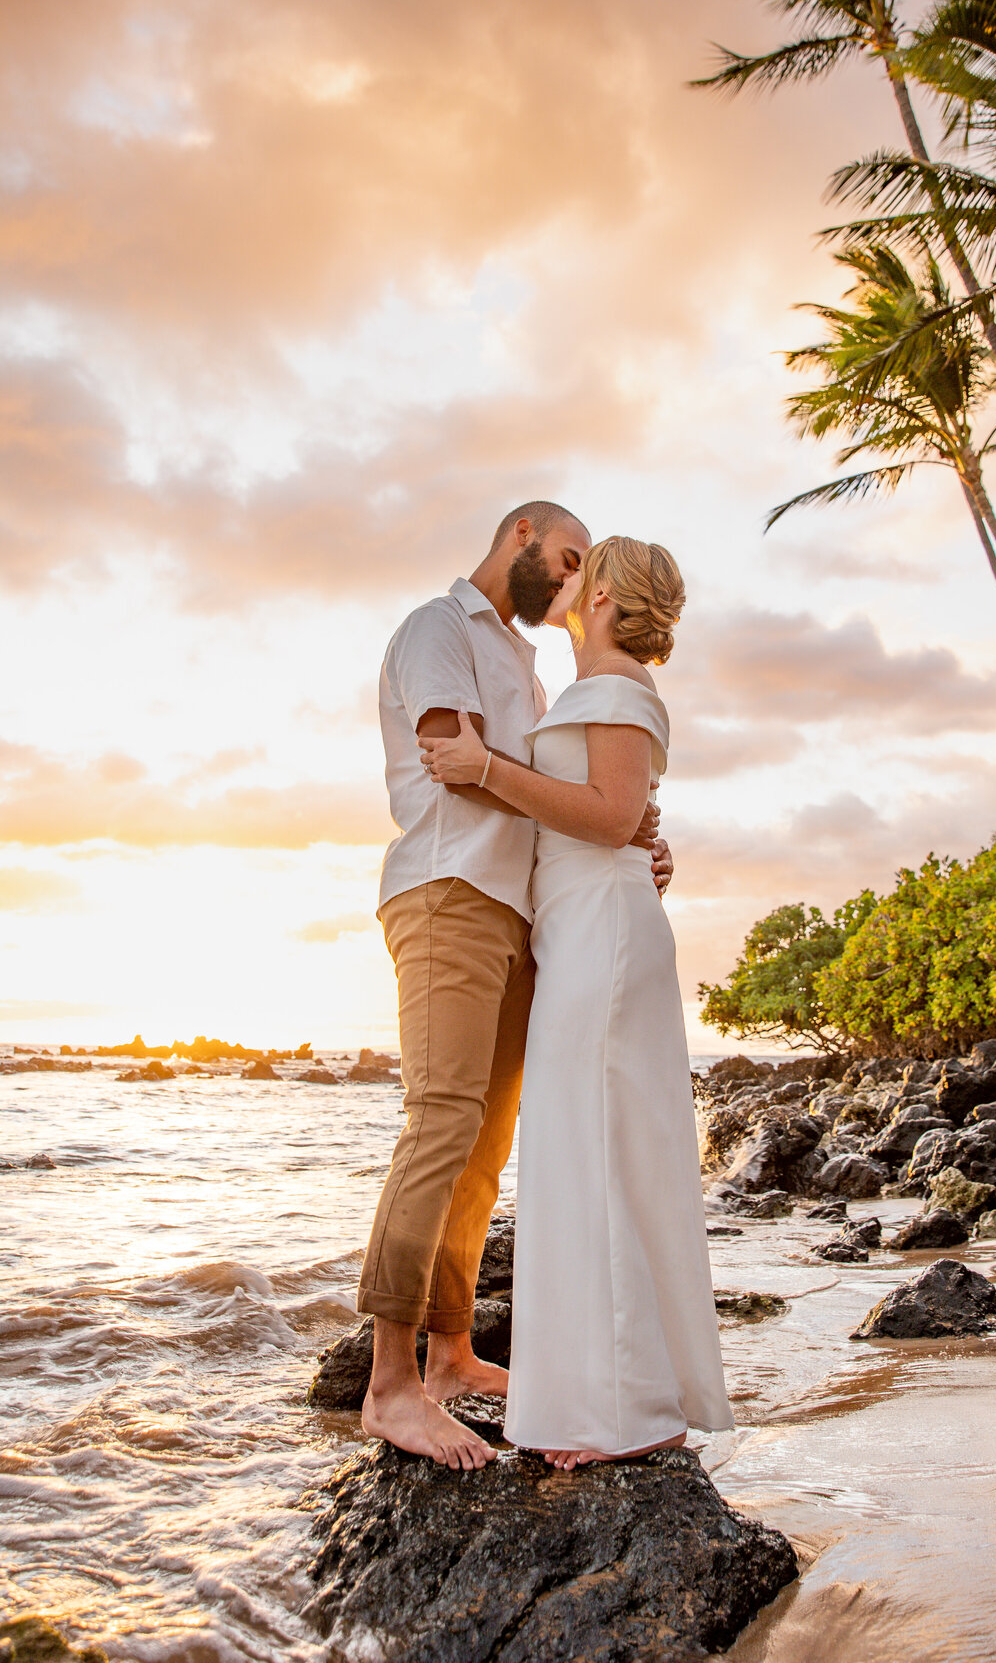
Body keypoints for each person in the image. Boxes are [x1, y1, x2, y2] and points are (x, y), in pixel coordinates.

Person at [357, 502, 670, 1472]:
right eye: (567, 559)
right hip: (446, 892)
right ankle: (389, 1386)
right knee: (441, 1121)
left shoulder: (532, 674)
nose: (573, 583)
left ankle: (450, 1355)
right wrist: (587, 806)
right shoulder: (438, 628)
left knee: (486, 1147)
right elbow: (454, 760)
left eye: (586, 571)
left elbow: (554, 804)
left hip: (520, 915)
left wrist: (624, 835)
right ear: (522, 533)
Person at [422, 535, 733, 1469]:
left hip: (601, 938)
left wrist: (484, 770)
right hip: (585, 929)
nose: (564, 582)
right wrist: (635, 839)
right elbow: (612, 817)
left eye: (580, 571)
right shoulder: (602, 692)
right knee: (593, 1153)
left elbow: (603, 813)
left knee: (591, 1154)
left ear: (601, 599)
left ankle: (624, 1415)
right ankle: (630, 1398)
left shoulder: (618, 689)